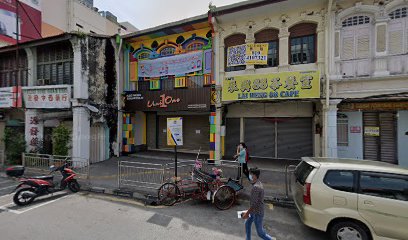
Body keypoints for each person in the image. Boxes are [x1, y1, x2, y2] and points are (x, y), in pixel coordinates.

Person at [242, 168, 275, 240]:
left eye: (250, 174)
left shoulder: (256, 187)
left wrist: (247, 213)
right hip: (254, 211)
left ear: (255, 176)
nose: (249, 176)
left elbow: (254, 204)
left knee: (260, 233)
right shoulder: (258, 183)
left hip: (257, 212)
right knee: (247, 224)